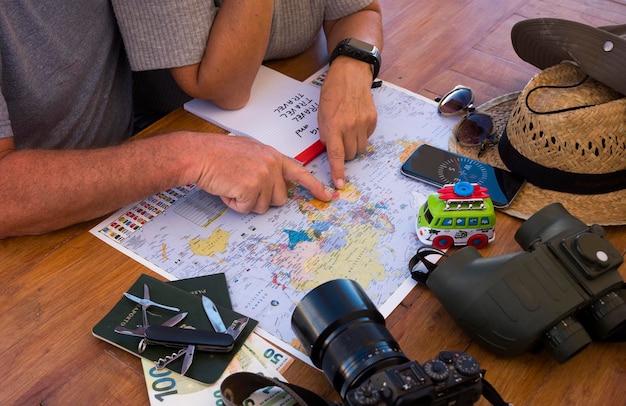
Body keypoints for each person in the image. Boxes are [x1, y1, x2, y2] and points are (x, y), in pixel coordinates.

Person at [0, 1, 381, 239]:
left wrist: (354, 62)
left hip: (126, 188)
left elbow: (358, 10)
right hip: (38, 241)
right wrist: (187, 155)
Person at [112, 0, 383, 190]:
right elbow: (225, 89)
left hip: (289, 97)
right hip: (185, 136)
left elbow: (358, 11)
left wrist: (354, 63)